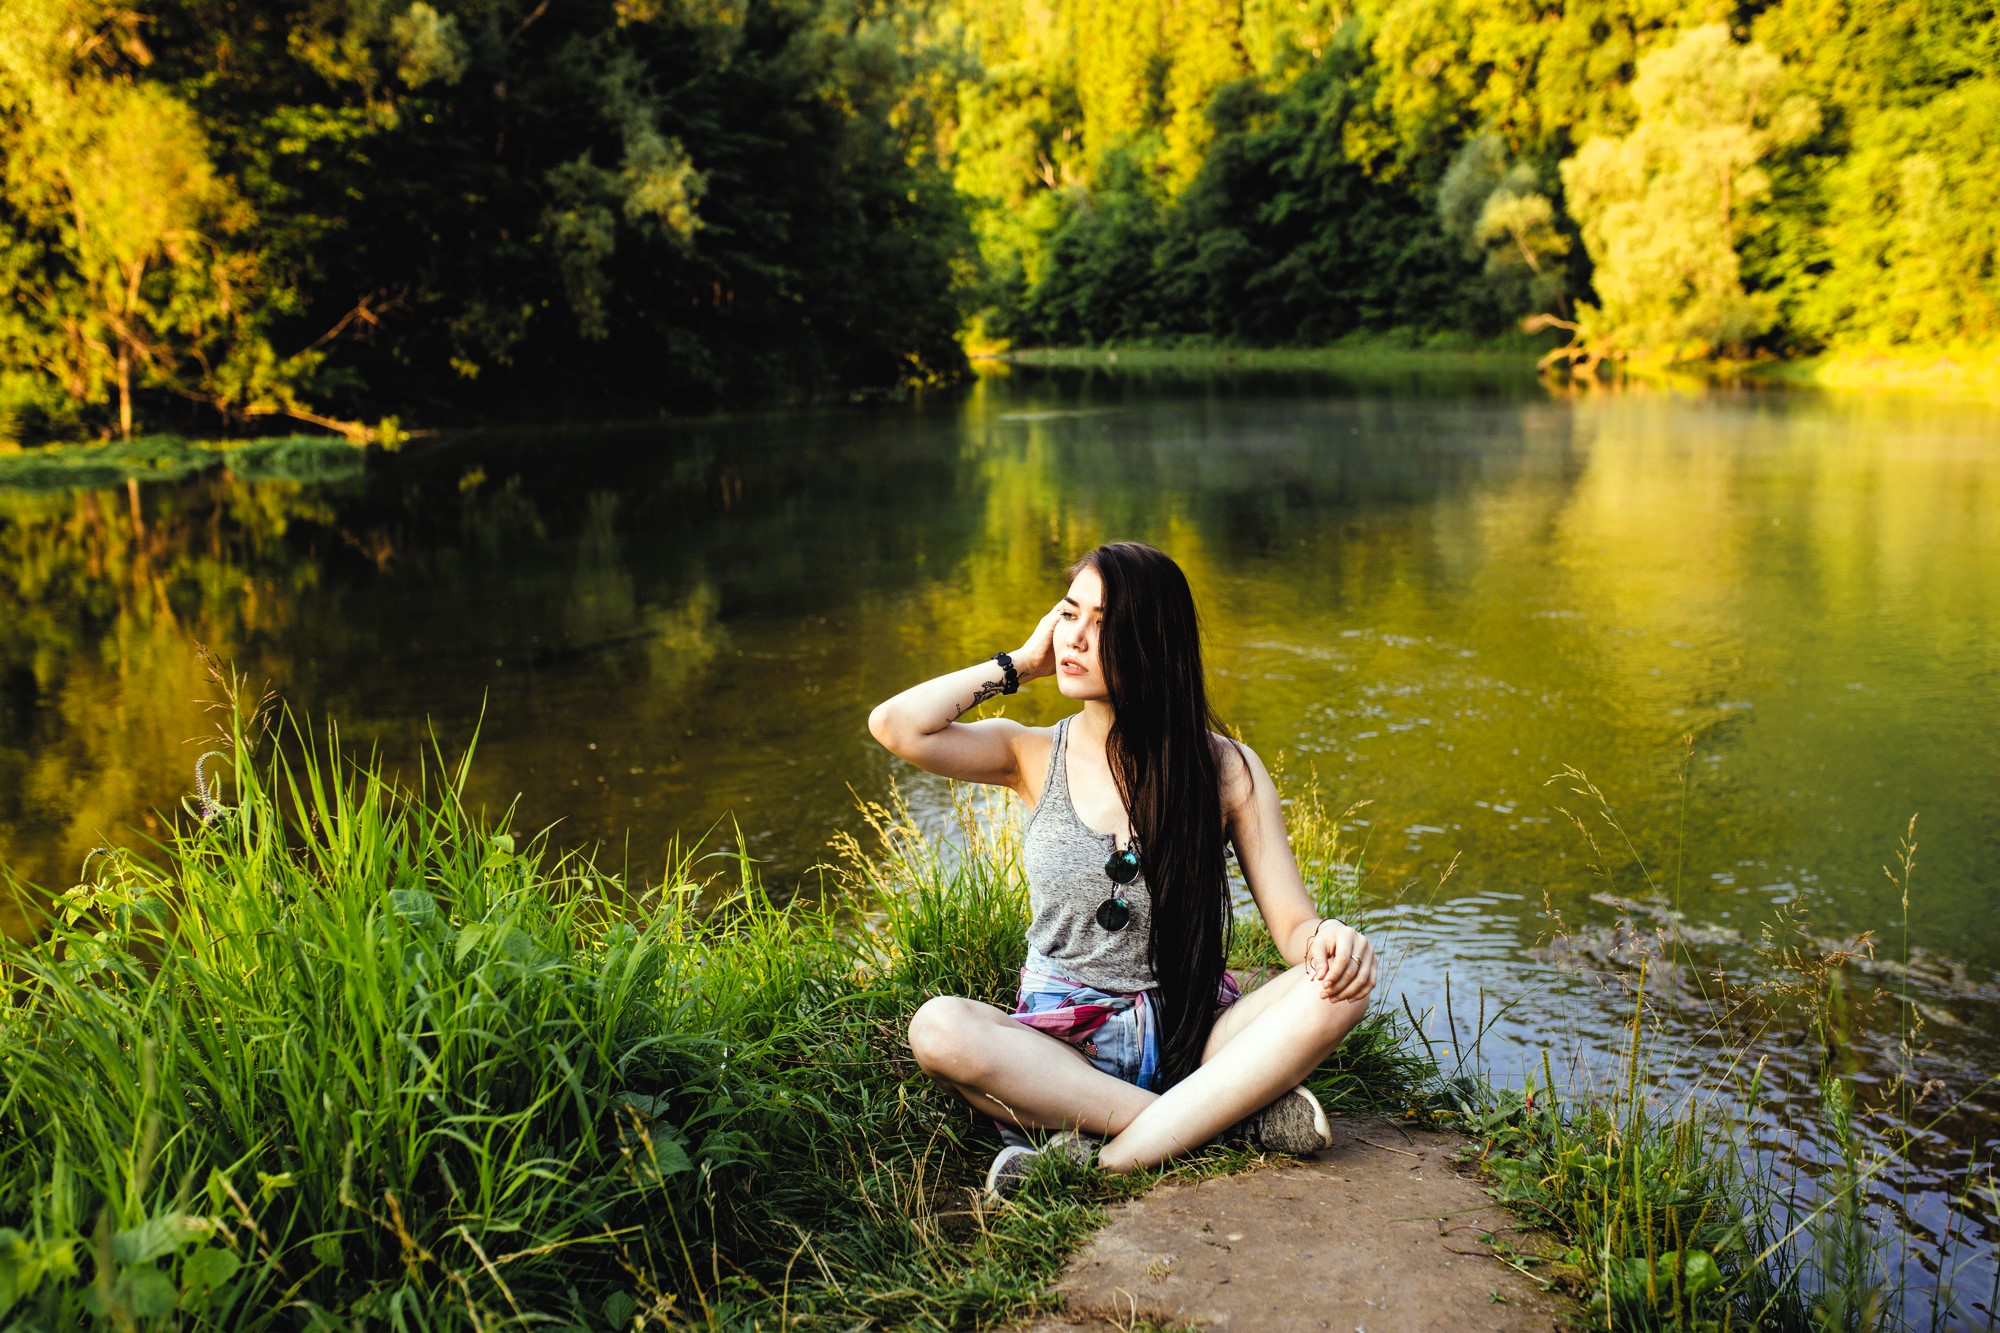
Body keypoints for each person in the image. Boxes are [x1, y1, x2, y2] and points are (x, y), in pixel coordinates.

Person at [866, 541, 1380, 1199]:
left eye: (1103, 624)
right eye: (1070, 613)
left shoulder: (1227, 769)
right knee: (938, 1027)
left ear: (1153, 641)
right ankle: (1217, 1119)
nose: (1076, 638)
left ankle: (1101, 1161)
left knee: (1344, 984)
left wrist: (1328, 941)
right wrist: (1022, 663)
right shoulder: (1029, 752)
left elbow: (1294, 926)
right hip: (1061, 1050)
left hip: (1192, 1032)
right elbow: (896, 725)